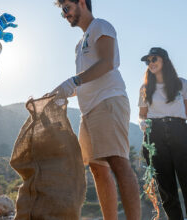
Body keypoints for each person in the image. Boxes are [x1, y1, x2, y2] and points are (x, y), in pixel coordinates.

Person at [51, 0, 141, 219]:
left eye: (66, 8)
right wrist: (61, 92)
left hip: (108, 101)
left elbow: (107, 63)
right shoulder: (79, 44)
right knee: (97, 169)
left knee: (118, 162)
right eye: (62, 11)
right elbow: (86, 79)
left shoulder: (101, 25)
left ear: (81, 2)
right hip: (88, 111)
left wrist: (72, 81)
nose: (65, 15)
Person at [138, 47, 187, 220]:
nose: (150, 63)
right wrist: (142, 124)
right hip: (155, 137)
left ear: (164, 61)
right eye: (148, 61)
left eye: (154, 59)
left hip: (180, 133)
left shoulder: (181, 83)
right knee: (167, 192)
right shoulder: (145, 88)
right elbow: (142, 115)